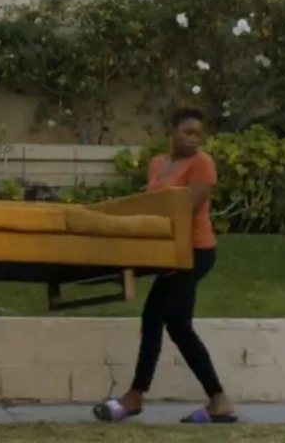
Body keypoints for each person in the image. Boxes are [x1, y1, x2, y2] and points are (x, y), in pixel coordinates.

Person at [93, 106, 237, 425]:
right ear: (171, 132)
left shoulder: (202, 163)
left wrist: (173, 259)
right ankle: (219, 400)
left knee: (153, 314)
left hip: (195, 252)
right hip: (169, 253)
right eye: (188, 132)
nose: (194, 139)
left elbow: (185, 210)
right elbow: (153, 208)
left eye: (198, 134)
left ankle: (135, 396)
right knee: (179, 327)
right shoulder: (159, 164)